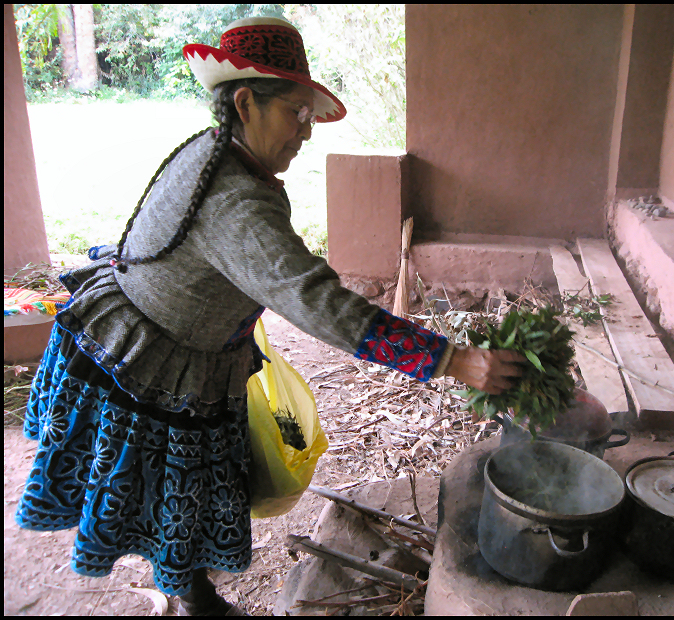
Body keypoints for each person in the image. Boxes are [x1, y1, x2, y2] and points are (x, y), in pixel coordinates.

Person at [15, 17, 524, 616]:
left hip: (160, 342)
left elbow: (270, 269)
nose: (306, 134)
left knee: (187, 496)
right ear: (244, 103)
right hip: (145, 362)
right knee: (173, 497)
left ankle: (189, 592)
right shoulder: (233, 199)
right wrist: (454, 359)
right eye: (296, 114)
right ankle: (196, 602)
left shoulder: (216, 152)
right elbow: (318, 303)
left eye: (310, 117)